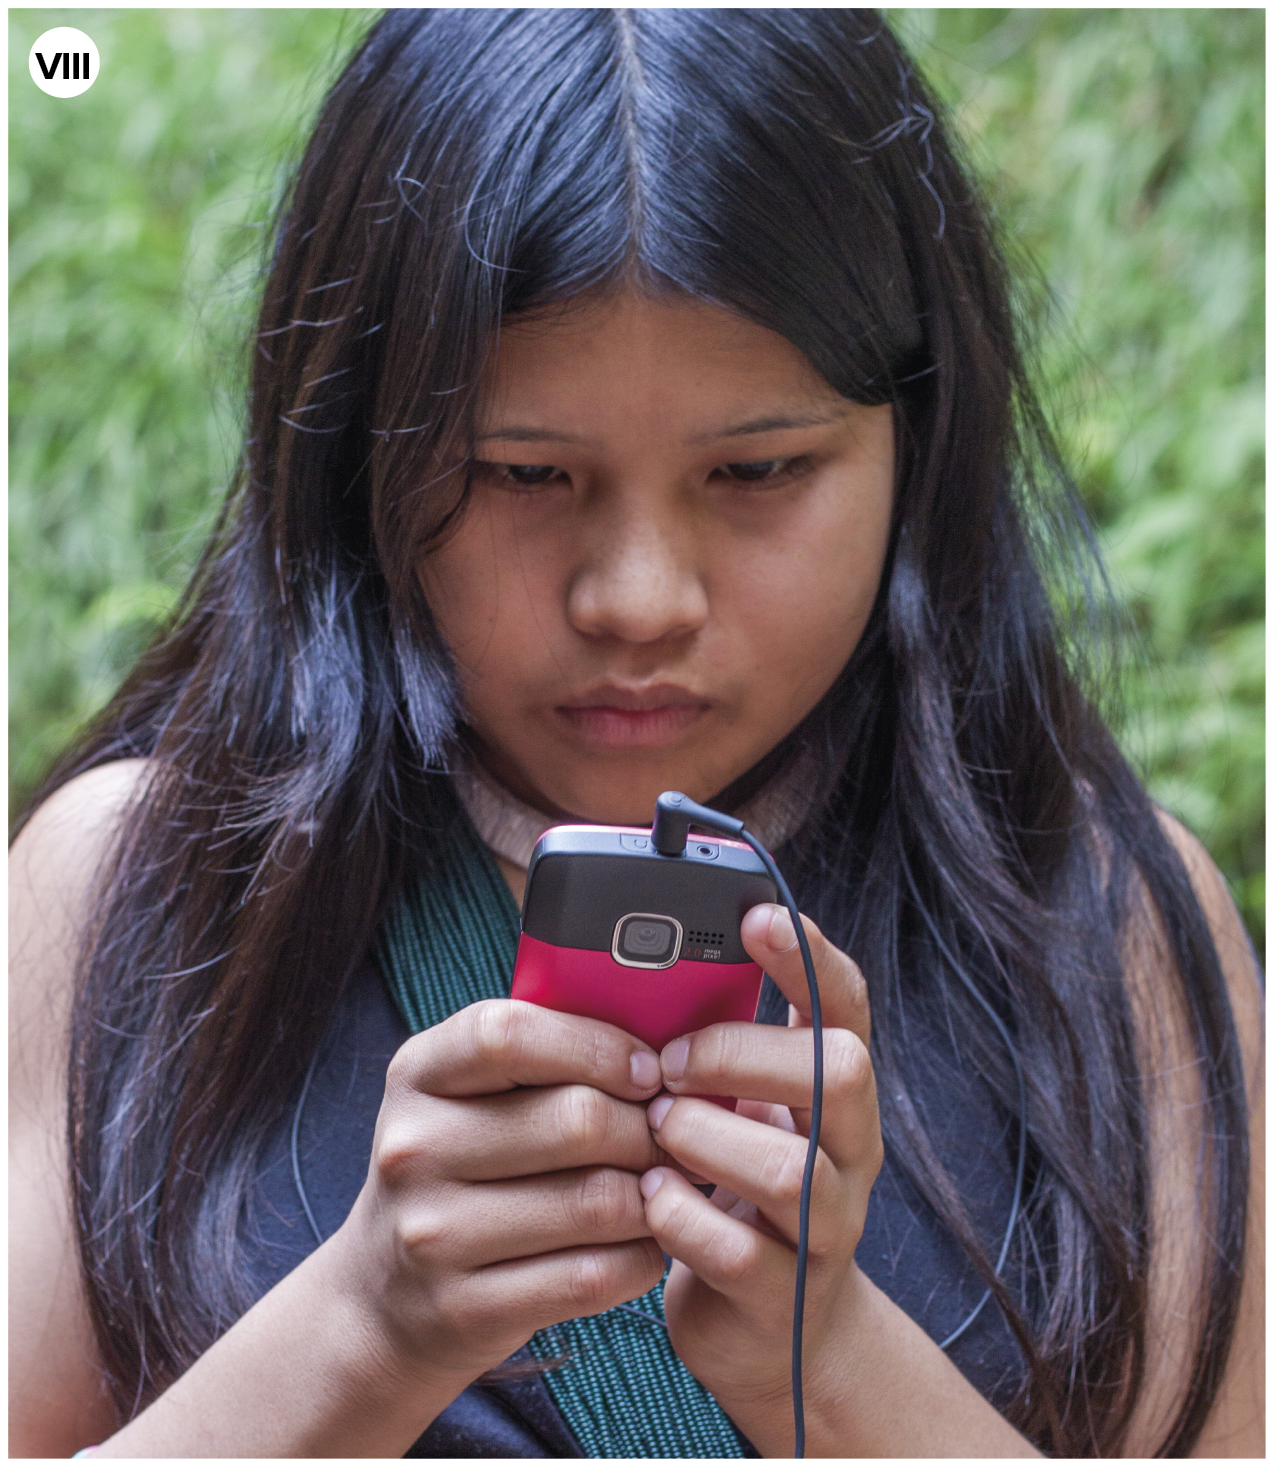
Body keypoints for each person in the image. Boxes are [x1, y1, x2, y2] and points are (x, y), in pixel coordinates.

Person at [9, 9, 1262, 1459]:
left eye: (759, 469)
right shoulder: (129, 900)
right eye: (520, 471)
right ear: (355, 446)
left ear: (915, 445)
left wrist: (834, 1361)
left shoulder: (1100, 934)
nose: (637, 599)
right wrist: (362, 1325)